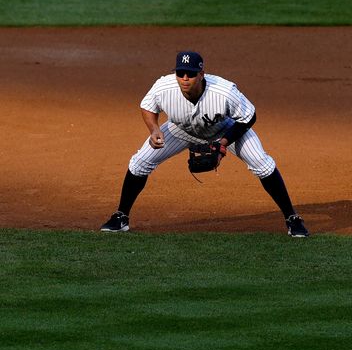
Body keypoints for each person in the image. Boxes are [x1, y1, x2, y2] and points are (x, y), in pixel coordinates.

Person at [101, 51, 309, 237]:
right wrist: (154, 129)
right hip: (180, 130)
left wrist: (224, 143)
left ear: (201, 74)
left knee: (262, 163)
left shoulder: (224, 92)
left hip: (224, 130)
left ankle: (292, 218)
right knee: (139, 163)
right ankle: (121, 217)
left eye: (190, 74)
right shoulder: (163, 87)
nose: (184, 78)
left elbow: (249, 116)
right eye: (180, 73)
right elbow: (147, 106)